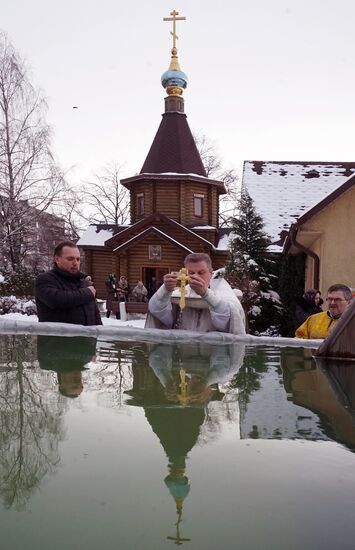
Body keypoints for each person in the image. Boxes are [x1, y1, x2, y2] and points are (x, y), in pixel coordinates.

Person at [145, 252, 246, 334]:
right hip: (185, 352)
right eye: (191, 273)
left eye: (201, 273)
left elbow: (231, 319)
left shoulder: (224, 293)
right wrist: (165, 290)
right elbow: (156, 311)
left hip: (214, 353)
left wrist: (206, 294)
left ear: (211, 273)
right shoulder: (181, 293)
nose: (196, 277)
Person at [35, 240, 102, 325]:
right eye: (70, 259)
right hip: (56, 337)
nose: (75, 263)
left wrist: (100, 334)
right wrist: (87, 293)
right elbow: (57, 300)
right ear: (57, 259)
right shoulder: (45, 279)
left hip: (88, 337)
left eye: (78, 259)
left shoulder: (83, 282)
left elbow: (95, 315)